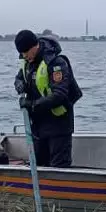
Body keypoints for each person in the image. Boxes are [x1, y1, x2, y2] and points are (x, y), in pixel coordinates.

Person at [13, 29, 83, 168]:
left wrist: (33, 105)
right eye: (22, 53)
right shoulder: (28, 62)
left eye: (26, 52)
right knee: (38, 164)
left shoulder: (56, 63)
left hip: (58, 125)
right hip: (38, 126)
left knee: (58, 166)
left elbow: (60, 94)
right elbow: (19, 77)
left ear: (35, 45)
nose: (25, 56)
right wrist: (19, 84)